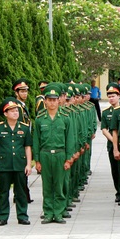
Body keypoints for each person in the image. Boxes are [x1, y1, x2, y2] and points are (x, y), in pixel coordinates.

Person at [32, 85, 76, 224]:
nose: (52, 102)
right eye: (49, 100)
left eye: (54, 100)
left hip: (60, 154)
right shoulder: (40, 119)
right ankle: (48, 213)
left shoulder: (65, 118)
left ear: (59, 101)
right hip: (45, 155)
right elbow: (36, 141)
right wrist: (37, 160)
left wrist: (69, 159)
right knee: (47, 186)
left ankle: (58, 213)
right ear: (45, 101)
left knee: (59, 185)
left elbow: (70, 140)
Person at [0, 97, 33, 226]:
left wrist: (29, 164)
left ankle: (22, 215)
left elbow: (27, 147)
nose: (15, 113)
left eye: (16, 110)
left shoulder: (24, 128)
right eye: (12, 111)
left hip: (20, 164)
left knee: (21, 192)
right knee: (4, 192)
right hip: (4, 165)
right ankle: (2, 217)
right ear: (5, 113)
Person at [101, 83, 120, 204]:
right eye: (109, 96)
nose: (111, 98)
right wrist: (114, 140)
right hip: (112, 144)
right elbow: (104, 129)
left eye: (113, 95)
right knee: (115, 170)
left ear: (118, 96)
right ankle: (119, 192)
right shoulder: (106, 112)